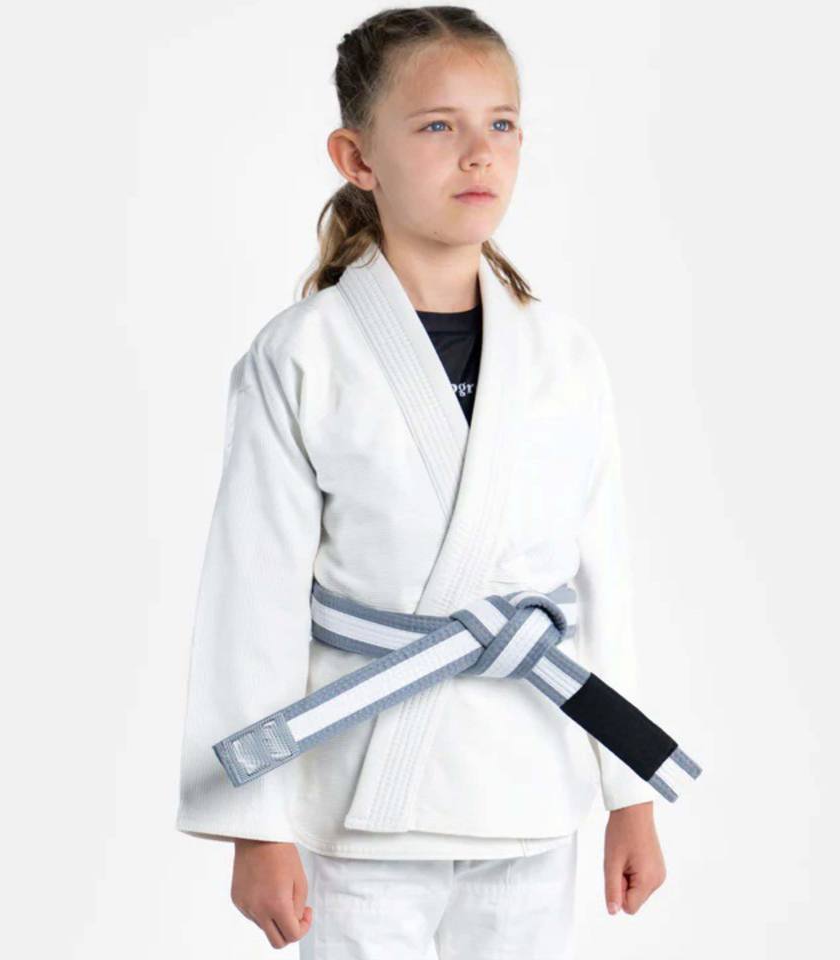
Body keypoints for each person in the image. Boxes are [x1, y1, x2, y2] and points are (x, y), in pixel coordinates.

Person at [175, 6, 669, 957]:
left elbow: (602, 583)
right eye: (438, 125)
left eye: (502, 123)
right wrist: (254, 825)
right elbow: (253, 598)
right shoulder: (303, 354)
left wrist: (631, 792)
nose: (479, 153)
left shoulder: (564, 357)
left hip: (529, 784)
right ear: (357, 158)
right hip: (361, 794)